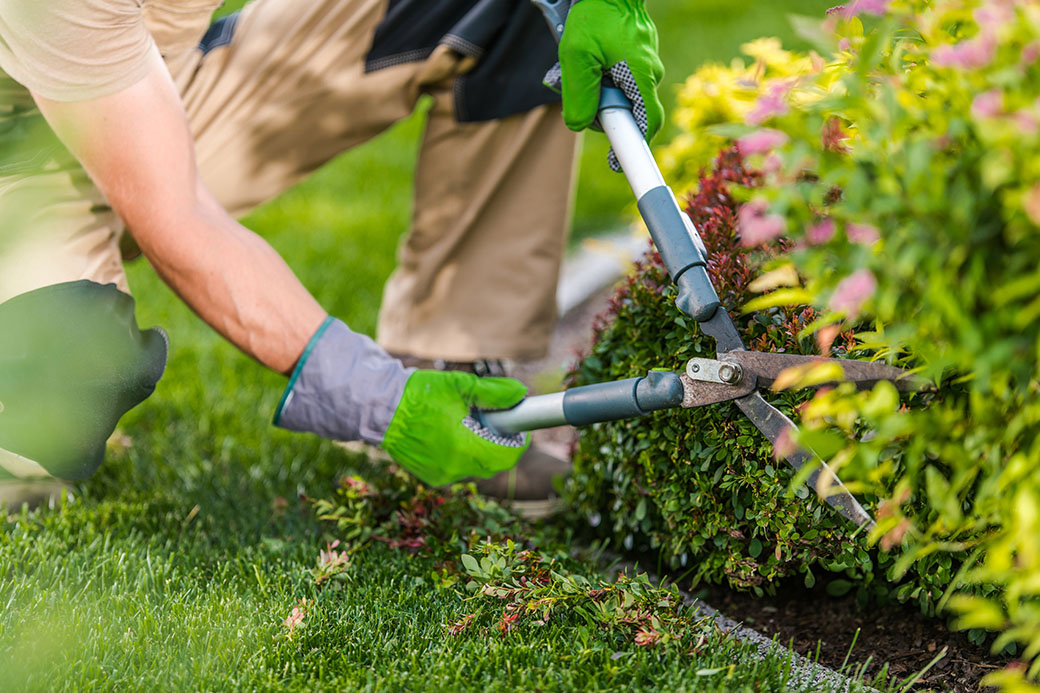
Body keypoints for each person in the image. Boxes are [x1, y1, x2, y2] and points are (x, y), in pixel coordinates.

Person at [0, 0, 664, 509]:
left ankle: (450, 370)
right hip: (21, 169)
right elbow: (180, 221)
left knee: (517, 8)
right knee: (65, 388)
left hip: (155, 81)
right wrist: (378, 400)